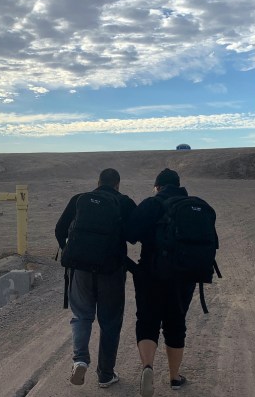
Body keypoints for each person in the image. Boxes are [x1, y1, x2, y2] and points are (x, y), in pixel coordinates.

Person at [55, 168, 137, 388]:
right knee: (110, 323)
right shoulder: (124, 202)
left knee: (81, 316)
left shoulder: (79, 199)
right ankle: (105, 375)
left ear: (97, 182)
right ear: (118, 184)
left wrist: (71, 254)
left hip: (80, 270)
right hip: (111, 271)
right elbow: (134, 237)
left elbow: (59, 229)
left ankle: (80, 359)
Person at [126, 168, 203, 396]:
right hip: (184, 276)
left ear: (158, 186)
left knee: (147, 321)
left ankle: (147, 367)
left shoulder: (152, 204)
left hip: (151, 273)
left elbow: (129, 233)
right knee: (176, 323)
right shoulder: (193, 206)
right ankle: (174, 377)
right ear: (178, 185)